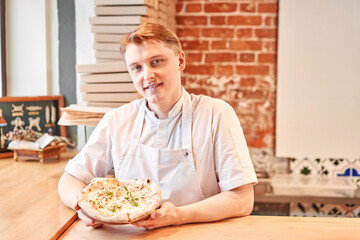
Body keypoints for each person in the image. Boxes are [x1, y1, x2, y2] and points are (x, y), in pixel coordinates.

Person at [58, 23, 258, 230]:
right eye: (137, 67)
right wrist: (83, 206)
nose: (147, 75)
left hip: (196, 232)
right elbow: (70, 179)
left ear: (180, 61)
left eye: (156, 62)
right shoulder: (117, 120)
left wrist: (178, 215)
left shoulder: (216, 114)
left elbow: (242, 199)